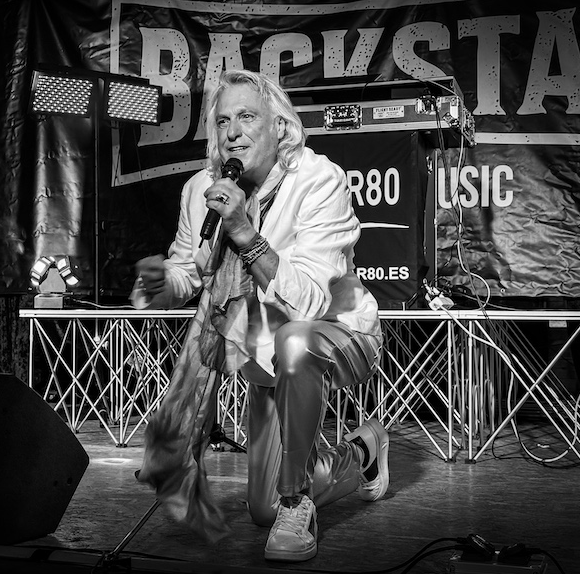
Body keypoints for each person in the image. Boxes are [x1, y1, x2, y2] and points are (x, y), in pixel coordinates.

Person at [131, 69, 389, 563]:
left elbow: (308, 303)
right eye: (222, 120)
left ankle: (298, 504)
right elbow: (191, 272)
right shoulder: (202, 189)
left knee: (296, 341)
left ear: (280, 126)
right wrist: (164, 284)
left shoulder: (318, 179)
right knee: (261, 508)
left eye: (247, 117)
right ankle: (363, 450)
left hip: (337, 332)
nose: (232, 132)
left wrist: (245, 233)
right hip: (265, 356)